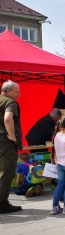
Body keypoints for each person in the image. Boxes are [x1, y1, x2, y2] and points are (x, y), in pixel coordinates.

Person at [0, 80, 22, 214]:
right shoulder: (9, 102)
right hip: (5, 142)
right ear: (8, 91)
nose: (19, 94)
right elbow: (8, 118)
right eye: (17, 91)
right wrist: (12, 135)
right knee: (6, 173)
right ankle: (2, 203)